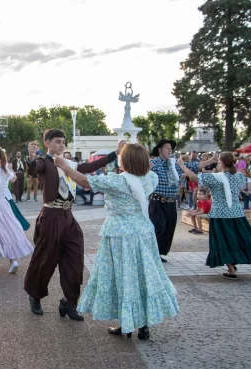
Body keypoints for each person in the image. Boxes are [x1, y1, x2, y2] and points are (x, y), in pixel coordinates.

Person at [57, 143, 179, 341]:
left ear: (125, 160)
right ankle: (144, 326)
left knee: (124, 278)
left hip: (120, 235)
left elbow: (84, 182)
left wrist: (64, 165)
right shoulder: (151, 178)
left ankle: (127, 323)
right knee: (142, 276)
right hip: (143, 232)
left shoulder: (117, 182)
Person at [23, 129, 122, 319]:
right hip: (51, 215)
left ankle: (69, 303)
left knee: (75, 260)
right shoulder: (44, 162)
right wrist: (31, 156)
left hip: (68, 216)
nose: (61, 145)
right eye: (58, 142)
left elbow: (89, 167)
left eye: (63, 142)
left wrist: (114, 154)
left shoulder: (69, 163)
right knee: (45, 260)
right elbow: (33, 170)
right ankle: (34, 295)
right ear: (48, 143)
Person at [177, 152, 251, 279]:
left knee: (222, 241)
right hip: (237, 214)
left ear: (220, 163)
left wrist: (182, 166)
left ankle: (231, 270)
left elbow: (194, 177)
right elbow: (243, 178)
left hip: (220, 214)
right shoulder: (238, 177)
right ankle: (233, 262)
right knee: (237, 239)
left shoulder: (216, 178)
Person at [149, 139, 192, 263]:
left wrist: (210, 161)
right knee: (159, 228)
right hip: (157, 201)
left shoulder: (173, 164)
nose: (169, 150)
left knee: (169, 228)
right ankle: (153, 254)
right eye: (167, 147)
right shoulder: (153, 163)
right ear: (159, 150)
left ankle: (159, 253)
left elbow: (193, 166)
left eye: (170, 148)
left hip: (171, 202)